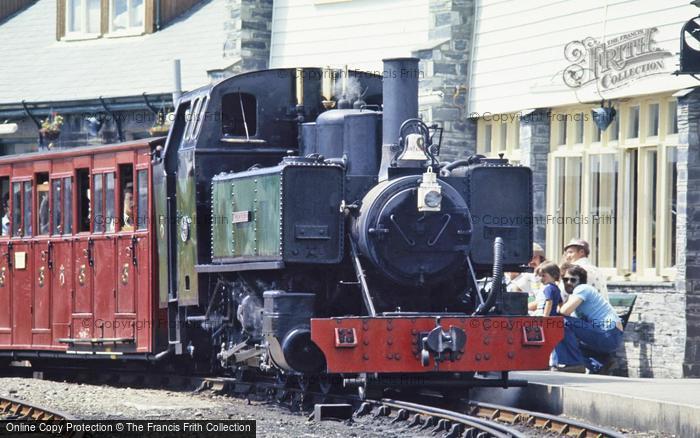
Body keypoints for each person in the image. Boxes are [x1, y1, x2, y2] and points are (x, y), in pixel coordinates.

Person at [554, 264, 623, 373]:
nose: (568, 282)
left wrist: (552, 306)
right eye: (565, 279)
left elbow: (564, 312)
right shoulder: (576, 297)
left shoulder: (583, 288)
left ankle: (573, 364)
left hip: (608, 333)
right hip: (609, 335)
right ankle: (600, 363)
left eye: (573, 280)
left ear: (581, 281)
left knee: (559, 322)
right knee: (571, 336)